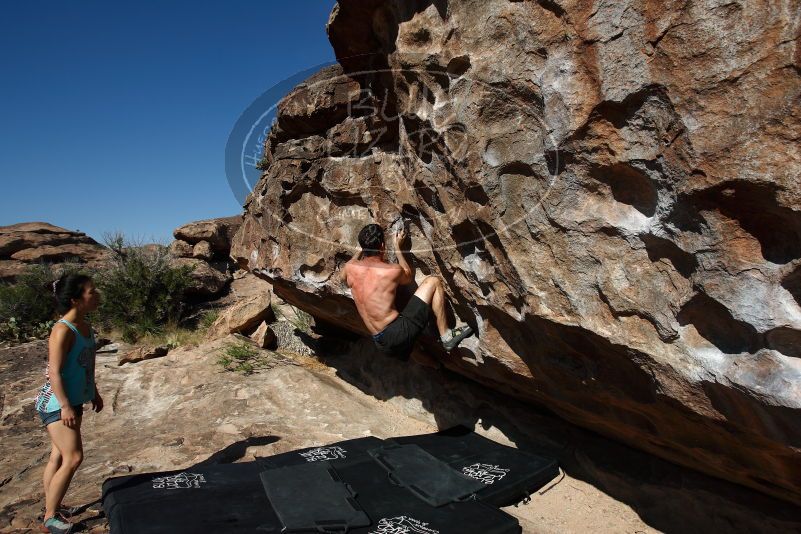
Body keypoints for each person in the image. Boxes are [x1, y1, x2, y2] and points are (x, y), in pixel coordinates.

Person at [342, 223, 474, 360]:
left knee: (411, 348)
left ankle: (433, 365)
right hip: (398, 334)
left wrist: (360, 250)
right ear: (382, 246)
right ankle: (446, 335)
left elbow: (344, 274)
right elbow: (407, 276)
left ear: (363, 247)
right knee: (433, 282)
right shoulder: (390, 271)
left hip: (379, 341)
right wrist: (398, 247)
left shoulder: (349, 268)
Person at [34, 273, 103, 534]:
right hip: (56, 403)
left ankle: (54, 505)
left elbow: (86, 364)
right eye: (91, 291)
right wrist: (64, 406)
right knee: (73, 457)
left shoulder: (85, 326)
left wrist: (93, 391)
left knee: (58, 455)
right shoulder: (62, 329)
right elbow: (54, 372)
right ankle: (51, 518)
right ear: (75, 300)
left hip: (73, 399)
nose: (96, 295)